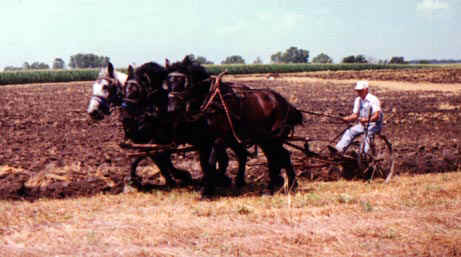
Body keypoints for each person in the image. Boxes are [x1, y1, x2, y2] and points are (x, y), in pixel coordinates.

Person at [332, 80, 383, 154]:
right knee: (350, 131)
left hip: (374, 125)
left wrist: (365, 120)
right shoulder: (358, 100)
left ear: (366, 90)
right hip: (363, 125)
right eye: (358, 91)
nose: (359, 92)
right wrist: (347, 118)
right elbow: (355, 115)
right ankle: (339, 150)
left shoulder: (373, 100)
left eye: (360, 90)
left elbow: (376, 116)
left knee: (367, 135)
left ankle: (363, 155)